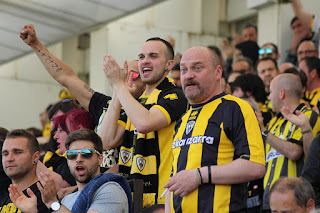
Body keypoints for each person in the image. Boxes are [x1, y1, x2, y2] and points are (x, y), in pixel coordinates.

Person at [19, 24, 146, 170]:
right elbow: (66, 77)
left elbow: (107, 142)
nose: (125, 77)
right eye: (123, 72)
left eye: (134, 75)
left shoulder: (148, 113)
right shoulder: (104, 104)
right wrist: (36, 45)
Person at [164, 46, 265, 212]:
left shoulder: (236, 108)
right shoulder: (183, 119)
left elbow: (255, 165)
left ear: (218, 72)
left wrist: (199, 176)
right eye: (183, 70)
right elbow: (174, 179)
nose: (188, 75)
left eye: (197, 68)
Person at [101, 37, 188, 206]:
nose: (145, 61)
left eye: (153, 56)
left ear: (169, 65)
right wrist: (118, 92)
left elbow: (144, 123)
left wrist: (119, 85)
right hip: (133, 199)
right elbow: (105, 141)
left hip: (163, 200)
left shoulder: (176, 95)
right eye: (141, 57)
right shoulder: (136, 102)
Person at [9, 129, 132, 213]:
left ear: (100, 159)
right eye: (72, 155)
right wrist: (32, 211)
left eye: (86, 154)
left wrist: (53, 203)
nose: (78, 159)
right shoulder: (68, 199)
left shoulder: (111, 189)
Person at [257, 74, 320, 211]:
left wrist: (264, 133)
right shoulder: (273, 122)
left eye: (271, 92)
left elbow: (294, 152)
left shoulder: (308, 116)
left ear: (281, 93)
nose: (268, 97)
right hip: (270, 200)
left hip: (294, 200)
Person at [0, 129, 50, 213]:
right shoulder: (3, 197)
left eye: (17, 152)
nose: (9, 159)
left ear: (35, 157)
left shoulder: (47, 195)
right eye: (5, 154)